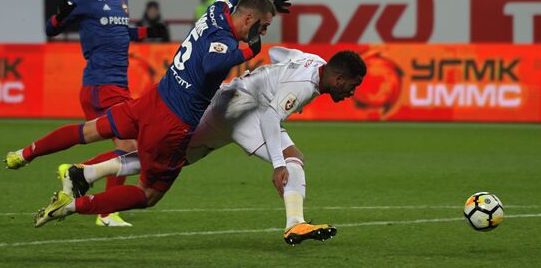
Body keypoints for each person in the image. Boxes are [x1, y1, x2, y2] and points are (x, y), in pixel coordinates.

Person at [6, 0, 292, 228]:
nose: (262, 32)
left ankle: (24, 154)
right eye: (262, 26)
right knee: (149, 193)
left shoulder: (218, 9)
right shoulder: (225, 42)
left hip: (151, 100)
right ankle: (71, 206)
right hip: (172, 123)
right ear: (248, 18)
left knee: (89, 130)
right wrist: (250, 50)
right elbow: (211, 65)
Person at [58, 46, 367, 244]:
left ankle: (86, 173)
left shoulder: (311, 61)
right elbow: (272, 119)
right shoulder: (303, 86)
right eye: (353, 86)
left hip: (228, 100)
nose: (352, 93)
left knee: (174, 157)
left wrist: (269, 77)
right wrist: (277, 166)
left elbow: (279, 54)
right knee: (291, 157)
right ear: (340, 79)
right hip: (242, 110)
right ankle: (295, 223)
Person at [4, 0, 167, 227]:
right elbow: (51, 29)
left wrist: (146, 32)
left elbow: (118, 31)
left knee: (98, 137)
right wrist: (59, 14)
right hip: (101, 85)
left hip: (117, 85)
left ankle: (29, 155)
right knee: (130, 144)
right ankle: (95, 197)